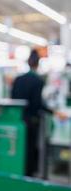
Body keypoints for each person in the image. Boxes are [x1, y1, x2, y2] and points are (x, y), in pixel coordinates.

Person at [11, 49, 67, 177]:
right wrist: (53, 112)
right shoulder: (38, 81)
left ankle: (17, 169)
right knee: (30, 148)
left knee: (18, 147)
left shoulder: (18, 79)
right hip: (31, 121)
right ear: (37, 64)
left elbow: (13, 99)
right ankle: (29, 173)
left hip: (17, 120)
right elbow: (38, 105)